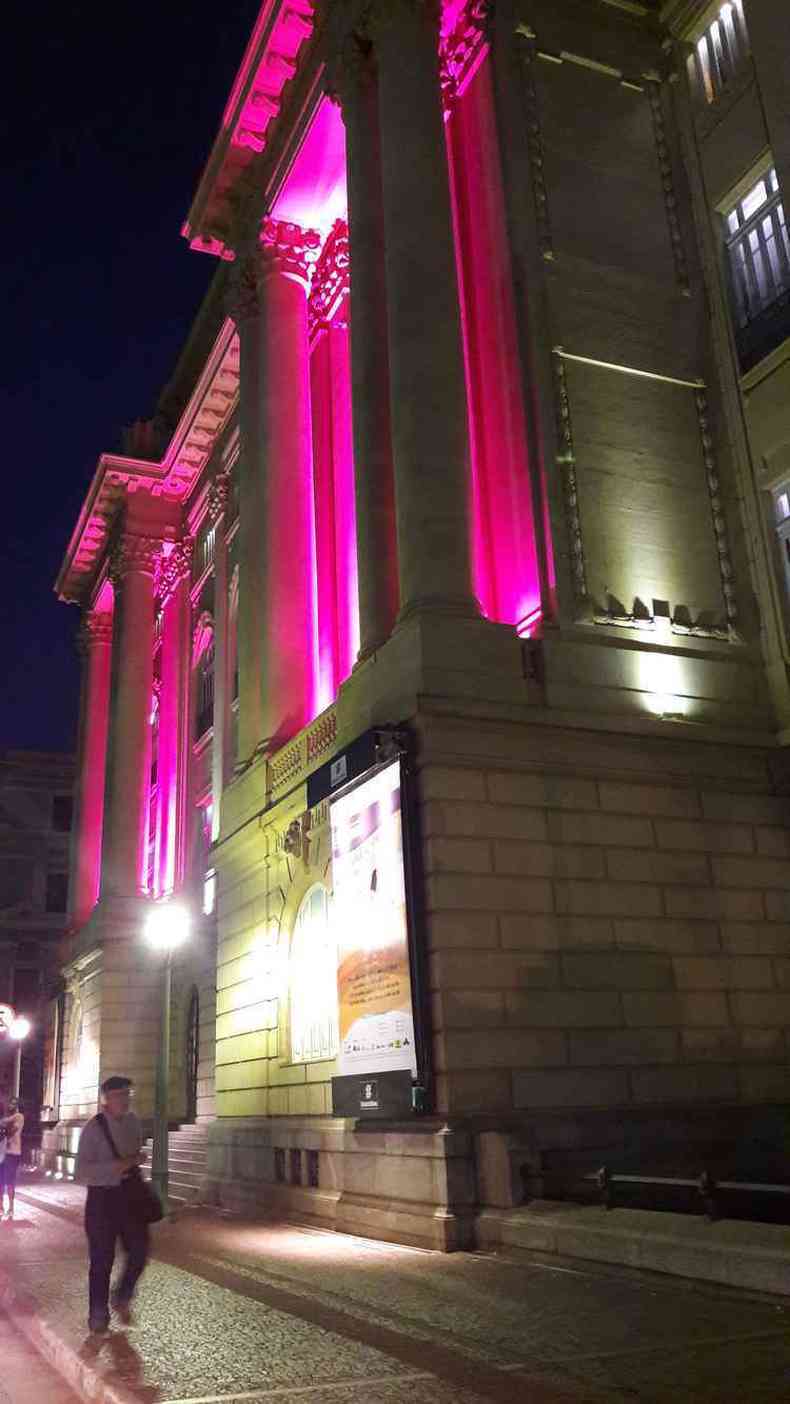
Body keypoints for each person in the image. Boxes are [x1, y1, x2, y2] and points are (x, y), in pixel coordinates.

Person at [75, 1075, 148, 1334]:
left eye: (128, 1094)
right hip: (101, 1199)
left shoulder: (133, 1122)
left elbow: (135, 1156)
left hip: (129, 1197)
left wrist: (134, 1162)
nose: (126, 1100)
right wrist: (120, 1165)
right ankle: (98, 1313)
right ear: (107, 1099)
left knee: (140, 1250)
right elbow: (81, 1172)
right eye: (120, 1095)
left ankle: (122, 1296)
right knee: (101, 1260)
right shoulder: (93, 1128)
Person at [0, 1097, 24, 1221]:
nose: (11, 1105)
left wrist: (3, 1131)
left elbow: (12, 1131)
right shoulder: (4, 1119)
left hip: (13, 1153)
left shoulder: (18, 1117)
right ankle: (1, 1207)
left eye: (14, 1103)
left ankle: (11, 1207)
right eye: (9, 1103)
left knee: (9, 1182)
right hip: (2, 1153)